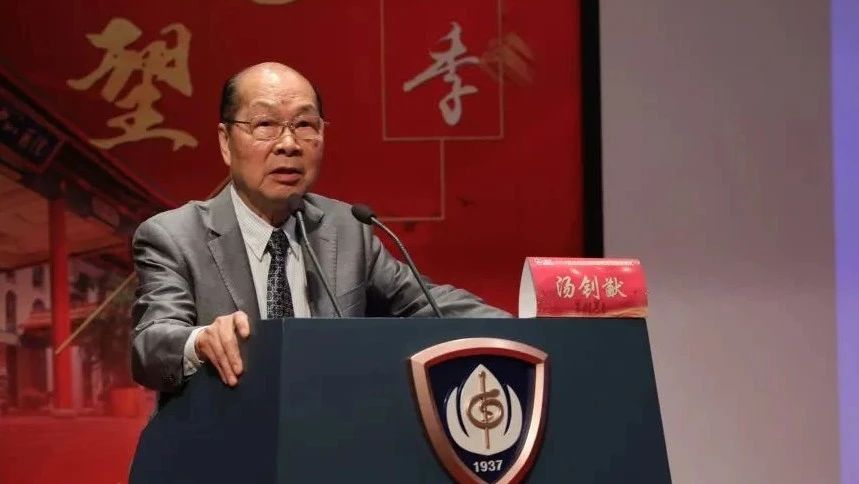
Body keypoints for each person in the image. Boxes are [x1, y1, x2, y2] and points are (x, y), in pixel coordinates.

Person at [131, 62, 509, 394]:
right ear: (225, 142)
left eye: (304, 125)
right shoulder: (174, 236)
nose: (289, 144)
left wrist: (529, 324)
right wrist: (200, 341)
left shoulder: (347, 229)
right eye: (265, 125)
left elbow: (427, 303)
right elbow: (151, 344)